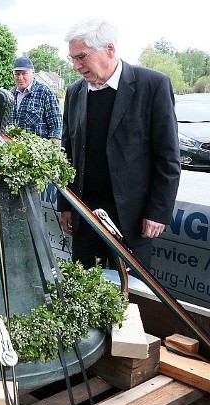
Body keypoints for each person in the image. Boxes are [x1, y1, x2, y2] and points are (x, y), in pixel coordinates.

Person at [57, 17, 180, 270]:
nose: (76, 66)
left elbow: (168, 157)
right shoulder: (74, 93)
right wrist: (66, 205)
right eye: (72, 59)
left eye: (82, 57)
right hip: (85, 215)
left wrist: (157, 212)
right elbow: (67, 152)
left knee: (128, 293)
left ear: (109, 49)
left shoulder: (152, 85)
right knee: (83, 289)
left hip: (132, 220)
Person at [8, 56, 62, 143]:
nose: (20, 77)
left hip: (37, 152)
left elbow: (56, 128)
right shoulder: (10, 95)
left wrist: (50, 151)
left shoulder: (46, 92)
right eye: (17, 74)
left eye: (24, 73)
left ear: (33, 73)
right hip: (13, 152)